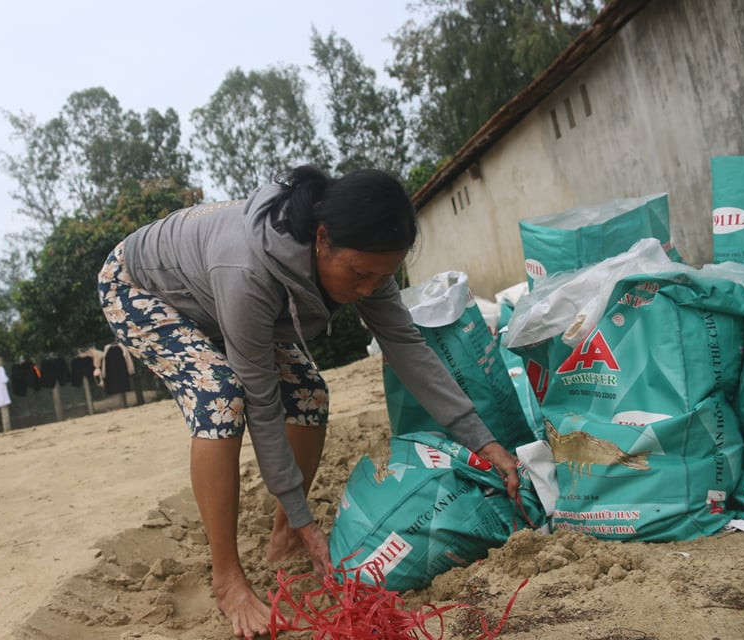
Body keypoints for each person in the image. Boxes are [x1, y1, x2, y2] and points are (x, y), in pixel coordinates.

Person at [97, 166, 520, 639]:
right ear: (321, 239)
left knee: (309, 394)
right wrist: (307, 516)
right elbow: (261, 403)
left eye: (381, 277)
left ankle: (284, 541)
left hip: (212, 290)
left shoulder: (365, 264)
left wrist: (484, 442)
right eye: (360, 273)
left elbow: (407, 347)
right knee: (222, 397)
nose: (367, 289)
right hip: (139, 287)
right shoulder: (249, 270)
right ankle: (226, 578)